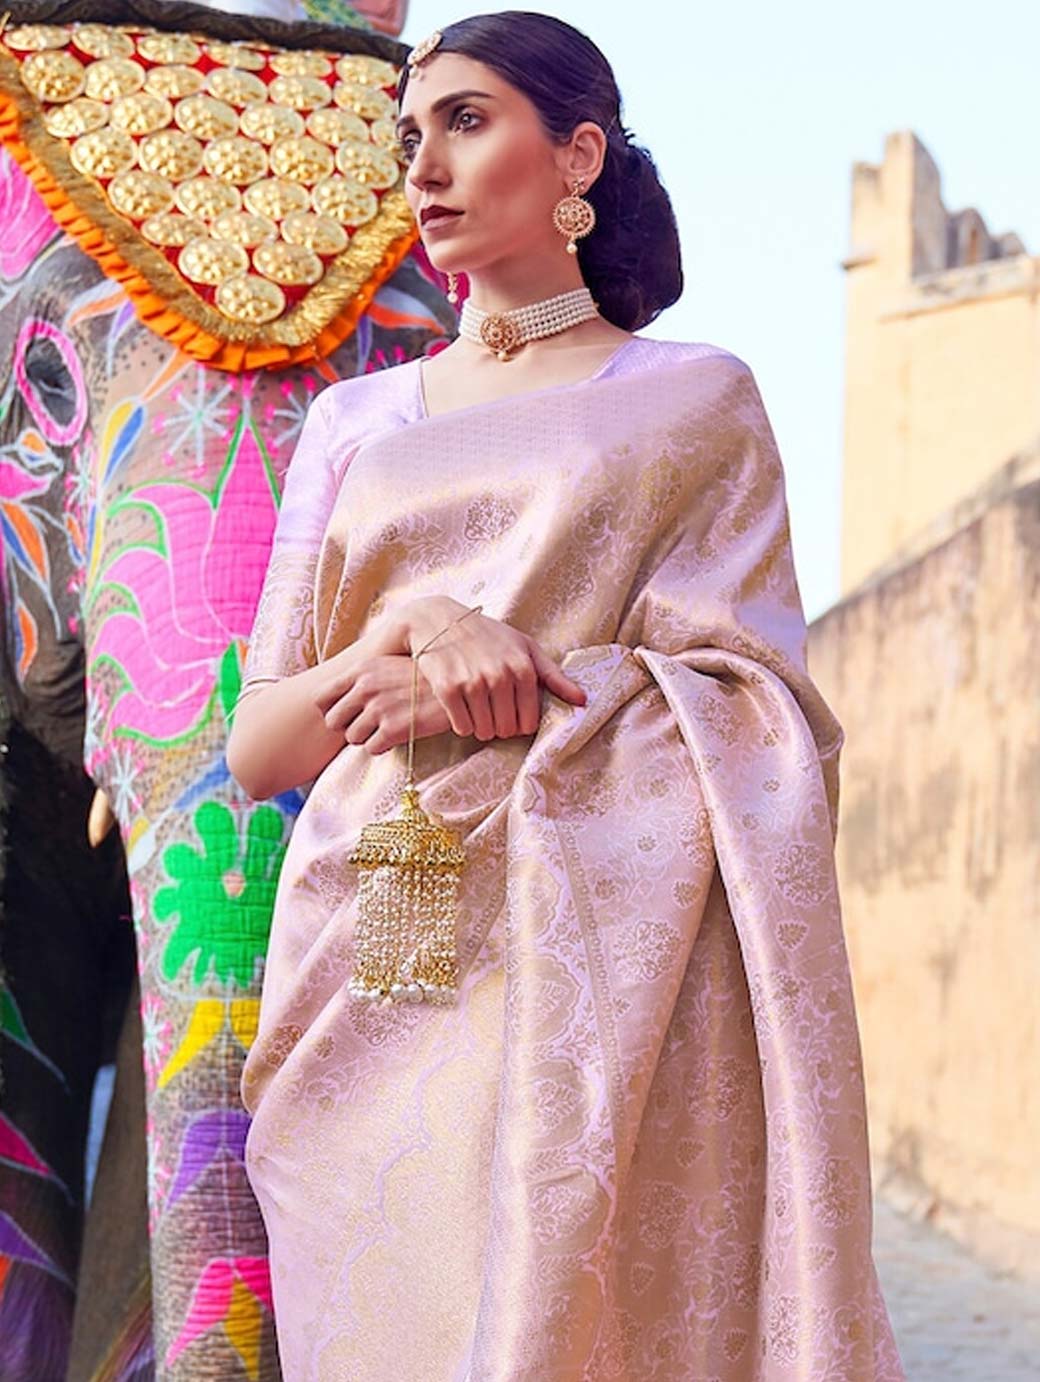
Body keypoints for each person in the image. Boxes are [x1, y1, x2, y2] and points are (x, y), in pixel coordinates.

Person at [227, 11, 905, 1379]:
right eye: (410, 136)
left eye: (467, 122)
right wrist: (404, 636)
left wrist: (530, 687)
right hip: (371, 932)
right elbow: (259, 746)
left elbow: (759, 715)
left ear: (579, 154)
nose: (424, 165)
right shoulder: (353, 423)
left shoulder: (694, 400)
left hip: (589, 964)